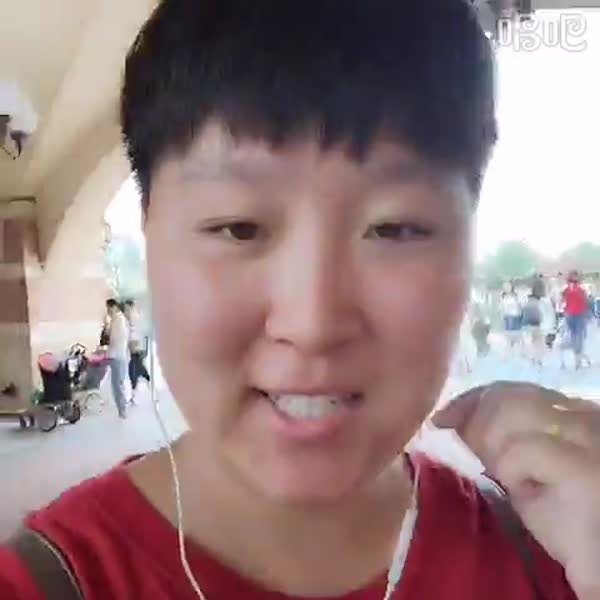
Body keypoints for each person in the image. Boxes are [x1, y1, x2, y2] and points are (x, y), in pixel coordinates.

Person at [2, 1, 599, 599]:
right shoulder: (45, 583)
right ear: (149, 238)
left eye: (394, 230)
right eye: (238, 228)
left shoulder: (564, 559)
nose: (312, 324)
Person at [105, 298, 130, 418]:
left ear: (114, 307)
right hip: (117, 355)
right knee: (118, 383)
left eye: (109, 308)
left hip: (116, 355)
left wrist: (106, 346)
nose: (108, 311)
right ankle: (122, 408)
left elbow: (115, 338)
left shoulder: (118, 319)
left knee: (117, 384)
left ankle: (122, 409)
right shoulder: (118, 319)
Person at [123, 299, 150, 403]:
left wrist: (134, 344)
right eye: (125, 309)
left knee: (133, 370)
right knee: (136, 369)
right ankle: (145, 381)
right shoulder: (131, 319)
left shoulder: (135, 318)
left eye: (127, 309)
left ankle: (136, 393)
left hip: (138, 350)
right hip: (136, 350)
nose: (126, 311)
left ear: (131, 307)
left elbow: (138, 333)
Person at [562, 271, 590, 369]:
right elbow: (585, 302)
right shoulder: (580, 289)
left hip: (571, 315)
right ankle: (579, 360)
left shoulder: (566, 289)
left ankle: (578, 359)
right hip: (577, 315)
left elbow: (563, 302)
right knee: (578, 337)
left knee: (575, 337)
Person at [500, 283, 522, 355]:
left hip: (515, 316)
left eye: (508, 287)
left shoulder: (515, 295)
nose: (506, 288)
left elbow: (518, 305)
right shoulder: (503, 296)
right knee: (509, 335)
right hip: (508, 316)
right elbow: (502, 307)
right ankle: (509, 350)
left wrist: (520, 314)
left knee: (516, 334)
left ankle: (516, 350)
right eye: (505, 287)